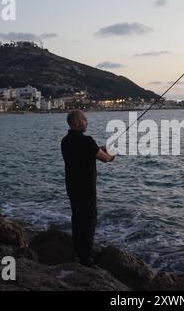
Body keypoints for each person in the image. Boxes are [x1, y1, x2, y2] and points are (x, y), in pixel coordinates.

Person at [61, 110, 115, 267]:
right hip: (86, 189)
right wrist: (111, 152)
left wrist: (100, 147)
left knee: (77, 220)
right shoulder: (87, 141)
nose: (87, 122)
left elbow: (86, 152)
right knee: (89, 222)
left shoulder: (65, 141)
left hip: (72, 188)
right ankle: (86, 258)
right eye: (85, 119)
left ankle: (77, 252)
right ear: (77, 122)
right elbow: (106, 159)